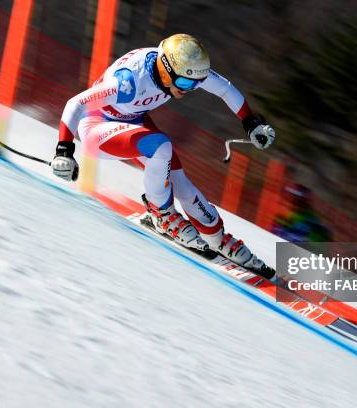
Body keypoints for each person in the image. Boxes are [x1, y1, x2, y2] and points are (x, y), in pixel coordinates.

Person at [51, 34, 275, 273]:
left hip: (131, 121)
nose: (190, 89)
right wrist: (64, 150)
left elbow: (224, 89)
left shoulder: (184, 66)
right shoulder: (129, 82)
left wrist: (250, 122)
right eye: (187, 84)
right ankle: (162, 215)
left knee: (181, 182)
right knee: (161, 147)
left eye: (196, 84)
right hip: (96, 128)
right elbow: (76, 103)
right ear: (167, 72)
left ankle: (217, 237)